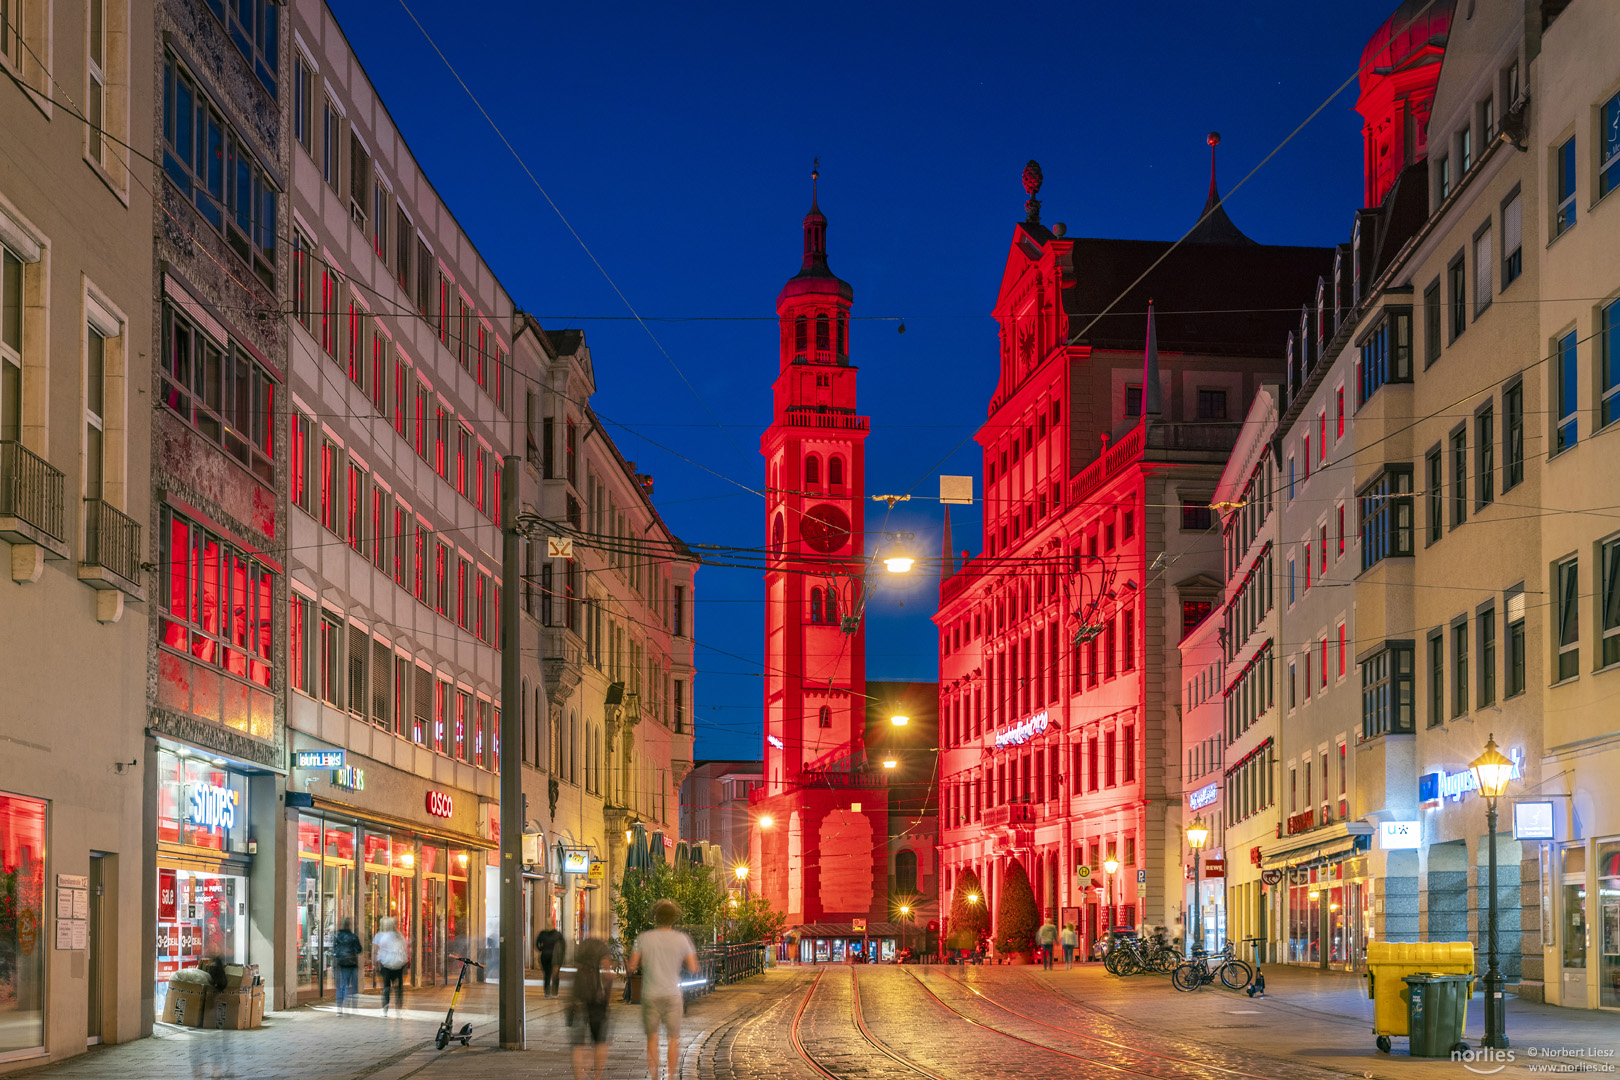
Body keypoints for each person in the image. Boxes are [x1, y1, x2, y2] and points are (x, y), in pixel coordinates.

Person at [629, 899, 698, 1080]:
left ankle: (653, 1076)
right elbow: (693, 967)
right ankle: (670, 1076)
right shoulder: (682, 939)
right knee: (673, 1038)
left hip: (651, 993)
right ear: (674, 918)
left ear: (655, 917)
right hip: (673, 994)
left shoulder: (644, 938)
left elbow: (632, 965)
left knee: (652, 1038)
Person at [569, 938, 614, 1080]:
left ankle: (580, 1077)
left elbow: (575, 969)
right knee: (600, 1040)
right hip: (596, 998)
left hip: (578, 995)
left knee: (578, 1043)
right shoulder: (601, 945)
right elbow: (608, 974)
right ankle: (597, 1077)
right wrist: (607, 996)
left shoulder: (581, 946)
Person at [372, 917, 408, 1017]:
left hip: (385, 964)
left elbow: (375, 951)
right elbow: (404, 949)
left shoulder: (379, 936)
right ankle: (398, 1009)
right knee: (399, 988)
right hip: (398, 964)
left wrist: (374, 963)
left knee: (386, 986)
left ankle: (385, 1009)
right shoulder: (399, 935)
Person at [332, 919, 361, 1014]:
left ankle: (339, 1008)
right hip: (352, 963)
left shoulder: (337, 936)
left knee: (342, 985)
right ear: (350, 925)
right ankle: (353, 1007)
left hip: (341, 963)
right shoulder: (353, 937)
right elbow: (359, 949)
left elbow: (335, 950)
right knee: (354, 985)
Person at [536, 926, 566, 998]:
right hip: (555, 957)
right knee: (555, 975)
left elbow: (537, 943)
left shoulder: (542, 934)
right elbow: (563, 946)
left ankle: (547, 993)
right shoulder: (558, 934)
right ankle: (554, 992)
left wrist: (541, 949)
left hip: (545, 956)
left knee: (547, 974)